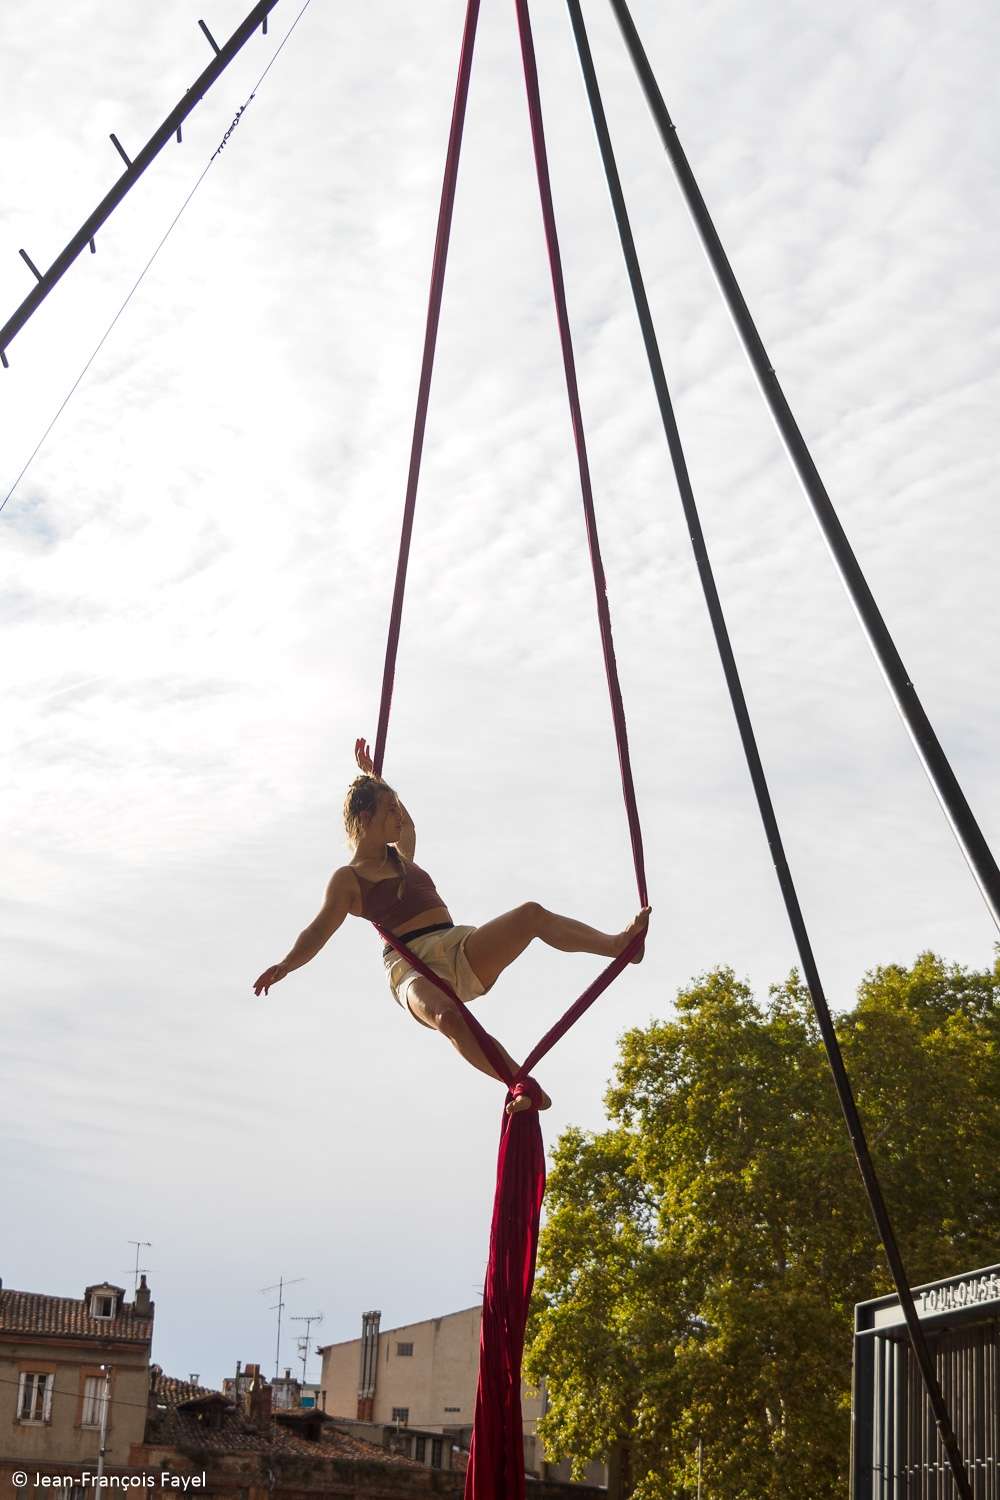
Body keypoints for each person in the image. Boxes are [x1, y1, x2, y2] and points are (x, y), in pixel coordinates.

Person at [253, 739, 651, 1114]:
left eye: (397, 807)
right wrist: (286, 964)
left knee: (530, 914)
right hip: (409, 970)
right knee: (447, 1017)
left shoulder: (403, 855)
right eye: (388, 809)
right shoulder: (349, 878)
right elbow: (317, 931)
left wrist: (376, 777)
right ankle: (520, 1084)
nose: (398, 815)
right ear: (365, 817)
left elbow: (408, 826)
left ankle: (618, 946)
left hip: (455, 945)